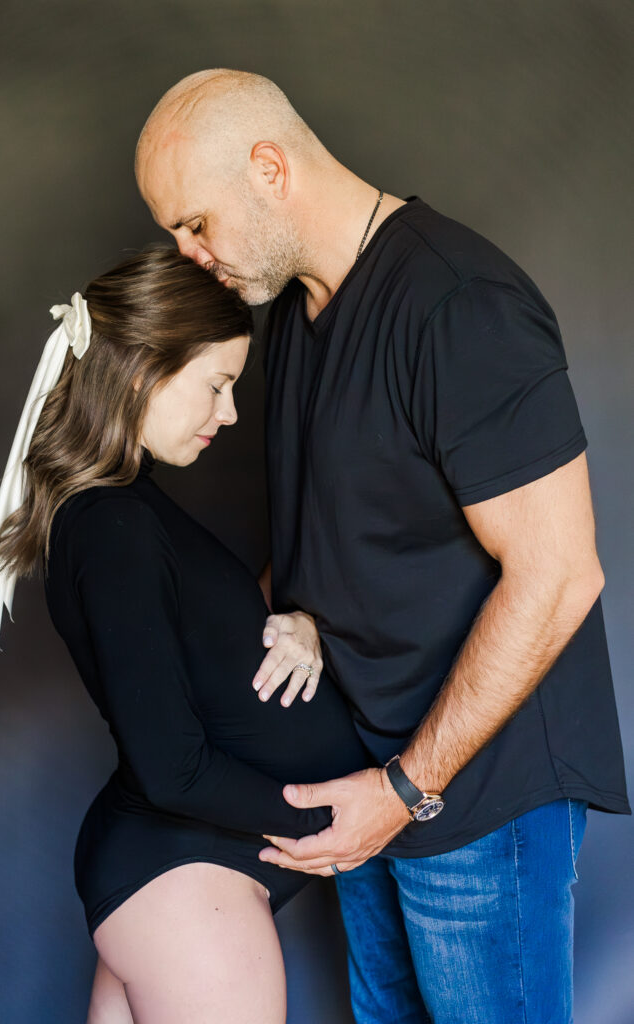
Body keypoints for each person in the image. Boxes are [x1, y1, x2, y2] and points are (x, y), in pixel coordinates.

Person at [135, 69, 631, 1023]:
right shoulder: (292, 318)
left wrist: (404, 789)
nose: (188, 254)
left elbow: (559, 573)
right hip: (364, 778)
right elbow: (346, 531)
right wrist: (292, 623)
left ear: (268, 169)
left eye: (193, 223)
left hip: (471, 797)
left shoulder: (459, 304)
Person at [0, 246, 370, 1024]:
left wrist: (296, 620)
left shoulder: (121, 510)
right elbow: (171, 768)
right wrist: (334, 823)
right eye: (217, 385)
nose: (228, 412)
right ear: (138, 373)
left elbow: (198, 645)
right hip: (187, 888)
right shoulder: (113, 524)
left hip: (171, 882)